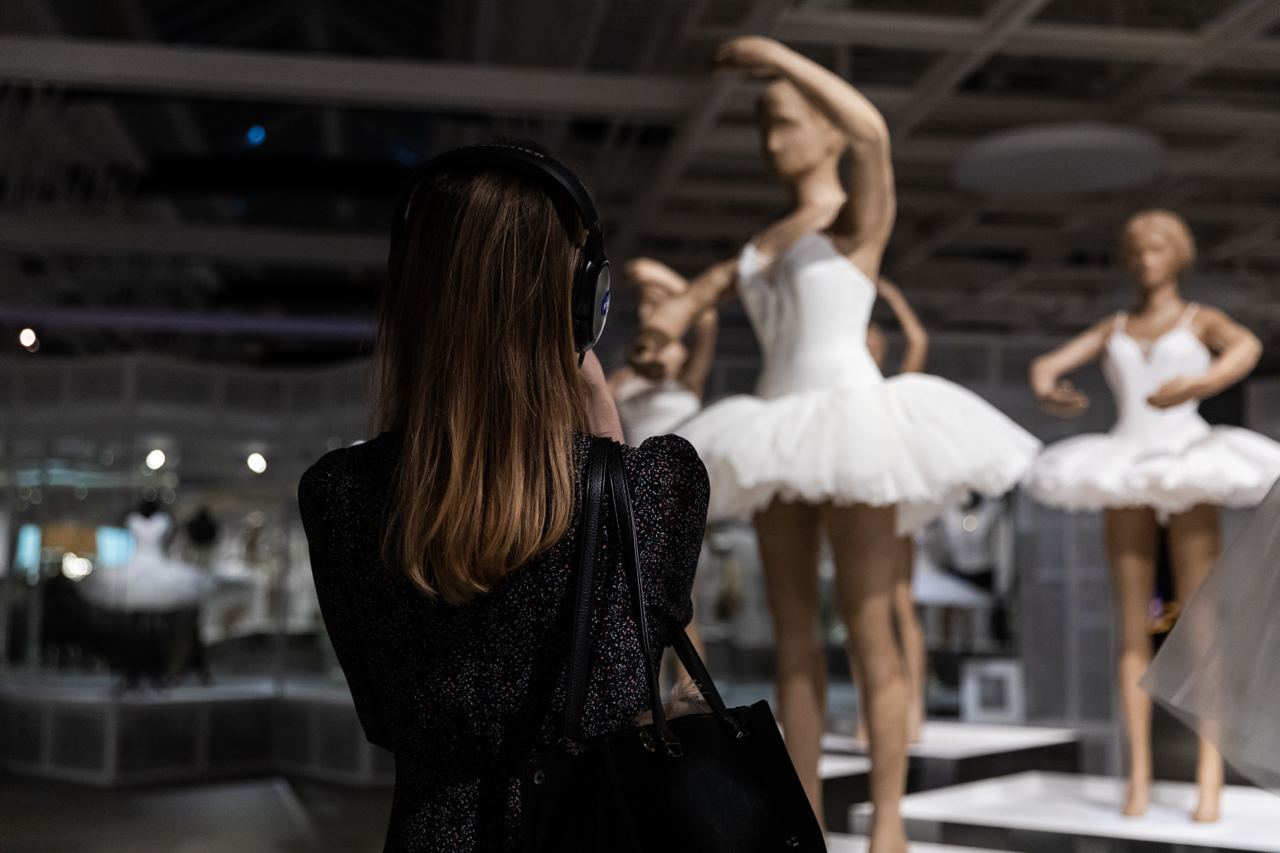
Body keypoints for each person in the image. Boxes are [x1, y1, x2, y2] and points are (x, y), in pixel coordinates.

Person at [632, 36, 1040, 852]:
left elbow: (875, 133)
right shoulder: (763, 240)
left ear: (825, 130)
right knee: (794, 642)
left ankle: (888, 818)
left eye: (785, 121)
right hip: (777, 428)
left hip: (853, 422)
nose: (771, 141)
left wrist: (779, 57)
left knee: (870, 629)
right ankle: (807, 814)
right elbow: (686, 300)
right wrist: (660, 329)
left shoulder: (856, 218)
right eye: (763, 127)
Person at [297, 143, 710, 852]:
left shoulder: (338, 494)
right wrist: (601, 417)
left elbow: (382, 720)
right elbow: (627, 687)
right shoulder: (657, 485)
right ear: (584, 304)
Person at [1025, 209, 1280, 821]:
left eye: (1158, 246)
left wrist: (1201, 384)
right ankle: (1136, 772)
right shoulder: (1114, 325)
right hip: (1127, 461)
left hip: (1186, 457)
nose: (1146, 258)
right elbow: (1045, 366)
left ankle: (1209, 776)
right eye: (1137, 248)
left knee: (1203, 623)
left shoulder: (1199, 319)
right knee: (1131, 624)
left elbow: (1246, 346)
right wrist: (1049, 389)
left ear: (1180, 254)